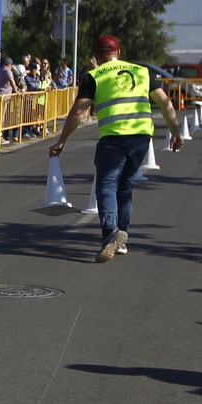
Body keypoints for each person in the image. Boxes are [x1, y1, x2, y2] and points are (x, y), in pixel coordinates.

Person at [49, 35, 185, 263]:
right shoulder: (142, 71)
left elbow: (78, 112)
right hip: (141, 138)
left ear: (96, 57)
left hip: (113, 139)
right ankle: (121, 239)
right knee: (125, 186)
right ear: (118, 53)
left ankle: (111, 232)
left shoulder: (94, 76)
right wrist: (177, 133)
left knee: (106, 185)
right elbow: (165, 102)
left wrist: (62, 141)